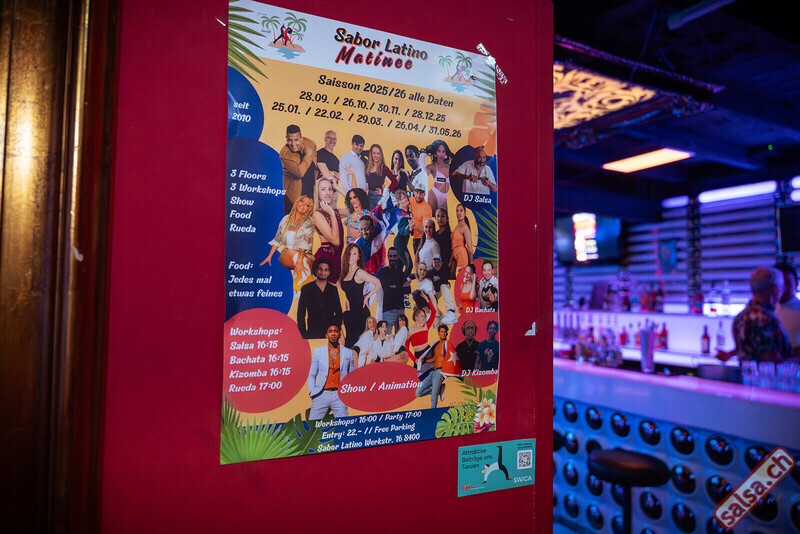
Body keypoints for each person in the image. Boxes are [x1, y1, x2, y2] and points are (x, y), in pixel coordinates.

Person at [726, 267, 792, 363]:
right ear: (774, 289)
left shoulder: (740, 317)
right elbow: (774, 361)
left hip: (745, 372)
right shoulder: (766, 319)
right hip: (769, 373)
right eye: (782, 287)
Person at [260, 195, 315, 291]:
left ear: (309, 209)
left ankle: (301, 293)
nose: (303, 205)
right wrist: (269, 256)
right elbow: (277, 239)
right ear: (297, 202)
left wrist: (299, 260)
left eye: (307, 205)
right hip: (287, 254)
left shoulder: (309, 222)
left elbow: (304, 242)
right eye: (302, 201)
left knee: (303, 261)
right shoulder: (285, 219)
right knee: (295, 255)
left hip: (305, 255)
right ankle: (299, 292)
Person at [307, 324, 354, 420]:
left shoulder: (348, 352)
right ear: (326, 335)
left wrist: (348, 393)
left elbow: (352, 375)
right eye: (330, 331)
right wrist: (312, 391)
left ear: (339, 335)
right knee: (313, 424)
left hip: (339, 395)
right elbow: (312, 374)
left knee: (343, 424)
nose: (333, 334)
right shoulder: (318, 352)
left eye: (335, 331)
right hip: (321, 394)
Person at [340, 243, 381, 348]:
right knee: (349, 346)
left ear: (358, 257)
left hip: (360, 314)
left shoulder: (359, 272)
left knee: (358, 347)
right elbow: (348, 292)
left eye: (354, 254)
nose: (351, 256)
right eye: (349, 253)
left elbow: (378, 283)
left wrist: (367, 297)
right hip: (350, 314)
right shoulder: (345, 272)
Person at [296, 258, 342, 339]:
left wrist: (336, 330)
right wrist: (304, 334)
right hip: (312, 333)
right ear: (316, 271)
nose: (323, 272)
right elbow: (301, 314)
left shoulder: (333, 289)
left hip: (330, 334)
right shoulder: (306, 289)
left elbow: (339, 312)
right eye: (320, 269)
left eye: (326, 270)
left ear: (329, 272)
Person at [416, 324, 458, 408]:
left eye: (445, 332)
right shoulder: (436, 345)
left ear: (446, 333)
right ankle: (439, 389)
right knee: (418, 392)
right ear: (438, 333)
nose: (443, 333)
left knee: (433, 397)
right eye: (441, 332)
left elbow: (452, 359)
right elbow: (434, 358)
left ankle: (433, 412)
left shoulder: (448, 345)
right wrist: (425, 361)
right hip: (432, 372)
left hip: (440, 372)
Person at [279, 124, 317, 214]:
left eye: (296, 140)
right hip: (294, 199)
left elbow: (315, 162)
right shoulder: (285, 155)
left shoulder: (309, 143)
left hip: (310, 195)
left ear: (301, 138)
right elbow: (300, 172)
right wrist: (307, 156)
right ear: (286, 139)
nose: (293, 144)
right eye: (290, 140)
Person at [312, 178, 344, 283]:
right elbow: (336, 241)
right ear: (318, 193)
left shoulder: (336, 212)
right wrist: (332, 214)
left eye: (330, 189)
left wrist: (337, 188)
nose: (328, 193)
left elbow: (356, 206)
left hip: (336, 261)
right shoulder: (317, 214)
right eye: (323, 189)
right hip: (324, 262)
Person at [405, 291, 438, 379]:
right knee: (418, 379)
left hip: (428, 353)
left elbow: (434, 312)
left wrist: (427, 299)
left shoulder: (426, 326)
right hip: (418, 356)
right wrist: (414, 359)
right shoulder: (409, 331)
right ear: (416, 317)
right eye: (422, 316)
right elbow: (406, 347)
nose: (424, 318)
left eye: (424, 316)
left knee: (432, 376)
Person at [376, 247, 408, 335]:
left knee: (401, 338)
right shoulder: (382, 272)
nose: (392, 258)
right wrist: (400, 288)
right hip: (388, 311)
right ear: (388, 257)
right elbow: (387, 290)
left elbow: (408, 290)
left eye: (394, 256)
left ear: (398, 257)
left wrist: (394, 288)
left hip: (400, 311)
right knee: (386, 339)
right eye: (391, 256)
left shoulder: (401, 274)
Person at [775, 263, 800, 353]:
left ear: (796, 284)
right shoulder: (767, 309)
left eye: (787, 283)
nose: (783, 287)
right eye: (780, 283)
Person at [364, 144, 398, 209]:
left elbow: (394, 182)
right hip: (369, 195)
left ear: (381, 155)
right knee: (370, 214)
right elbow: (361, 153)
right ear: (371, 154)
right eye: (374, 153)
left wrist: (385, 192)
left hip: (379, 197)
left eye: (378, 153)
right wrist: (370, 151)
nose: (376, 156)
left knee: (378, 215)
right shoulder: (368, 165)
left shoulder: (383, 168)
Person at [425, 140, 454, 214]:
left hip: (444, 198)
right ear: (435, 153)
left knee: (444, 220)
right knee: (429, 218)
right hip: (434, 195)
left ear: (446, 153)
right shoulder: (432, 167)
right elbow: (422, 176)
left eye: (443, 151)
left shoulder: (450, 167)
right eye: (439, 151)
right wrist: (425, 155)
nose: (441, 154)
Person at [428, 254, 458, 325]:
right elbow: (420, 275)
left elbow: (443, 281)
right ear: (432, 263)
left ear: (441, 263)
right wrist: (410, 277)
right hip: (437, 290)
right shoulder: (430, 272)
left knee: (443, 286)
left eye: (438, 262)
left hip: (445, 286)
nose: (437, 264)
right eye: (435, 262)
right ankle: (440, 317)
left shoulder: (445, 269)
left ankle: (451, 312)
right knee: (429, 300)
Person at [316, 130, 341, 207]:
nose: (332, 140)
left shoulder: (336, 159)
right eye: (330, 138)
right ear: (325, 139)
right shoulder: (320, 154)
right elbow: (328, 177)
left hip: (334, 193)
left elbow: (341, 176)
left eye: (334, 138)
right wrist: (333, 174)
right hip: (323, 194)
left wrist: (332, 173)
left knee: (334, 213)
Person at [452, 203, 474, 273]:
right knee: (452, 276)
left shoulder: (465, 228)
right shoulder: (456, 227)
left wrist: (471, 263)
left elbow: (469, 247)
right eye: (457, 210)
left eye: (461, 211)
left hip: (462, 255)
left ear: (465, 213)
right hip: (455, 255)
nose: (459, 212)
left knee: (460, 276)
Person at [409, 186, 432, 252]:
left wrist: (415, 226)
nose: (418, 195)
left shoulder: (427, 209)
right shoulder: (411, 200)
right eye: (417, 192)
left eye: (421, 193)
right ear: (414, 192)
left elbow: (426, 232)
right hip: (413, 237)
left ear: (424, 194)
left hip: (422, 239)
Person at [433, 208, 453, 279]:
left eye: (443, 216)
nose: (440, 218)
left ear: (447, 218)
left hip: (446, 267)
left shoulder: (450, 235)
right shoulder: (435, 235)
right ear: (435, 218)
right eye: (438, 216)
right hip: (436, 267)